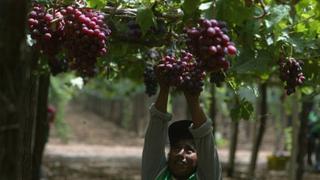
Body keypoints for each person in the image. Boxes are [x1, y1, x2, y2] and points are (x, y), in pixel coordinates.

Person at [141, 72, 222, 180]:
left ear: (200, 159)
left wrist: (193, 101)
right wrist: (164, 89)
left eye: (189, 150)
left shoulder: (208, 177)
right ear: (169, 155)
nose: (181, 153)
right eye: (176, 148)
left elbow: (204, 137)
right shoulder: (156, 175)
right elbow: (154, 138)